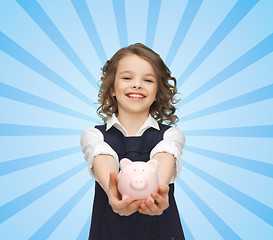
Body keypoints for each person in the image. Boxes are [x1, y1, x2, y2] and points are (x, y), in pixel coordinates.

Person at [80, 43, 185, 240]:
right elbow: (103, 156)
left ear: (157, 93)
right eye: (127, 77)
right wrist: (114, 193)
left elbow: (163, 156)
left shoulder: (171, 135)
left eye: (148, 80)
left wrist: (156, 194)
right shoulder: (94, 136)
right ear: (112, 88)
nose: (137, 84)